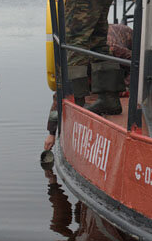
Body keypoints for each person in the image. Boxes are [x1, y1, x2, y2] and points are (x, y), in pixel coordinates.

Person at [43, 22, 133, 153]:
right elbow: (58, 96)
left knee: (123, 71)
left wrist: (124, 86)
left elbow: (136, 63)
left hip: (125, 38)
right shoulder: (72, 65)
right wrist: (51, 132)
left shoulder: (112, 50)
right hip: (98, 53)